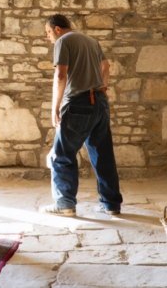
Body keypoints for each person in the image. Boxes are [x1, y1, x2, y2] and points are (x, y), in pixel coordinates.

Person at [40, 14, 123, 217]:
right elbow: (106, 66)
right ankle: (111, 204)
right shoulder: (91, 41)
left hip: (78, 103)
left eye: (48, 32)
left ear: (57, 29)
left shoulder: (63, 41)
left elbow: (60, 75)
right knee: (103, 156)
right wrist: (102, 89)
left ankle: (65, 204)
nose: (49, 37)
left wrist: (55, 107)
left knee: (62, 155)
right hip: (100, 103)